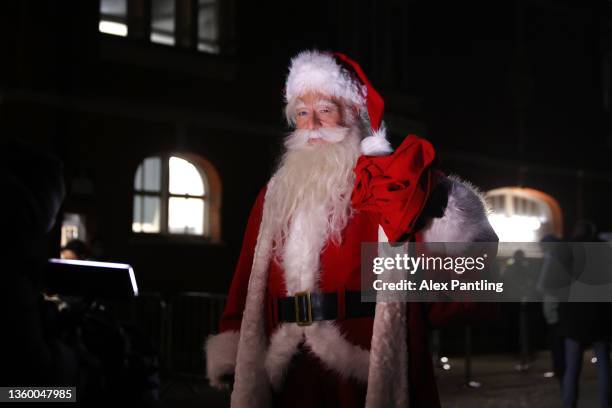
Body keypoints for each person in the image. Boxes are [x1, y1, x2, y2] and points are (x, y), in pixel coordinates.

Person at [205, 50, 498, 407]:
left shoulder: (392, 185)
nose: (311, 124)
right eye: (301, 113)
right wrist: (232, 343)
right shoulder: (275, 194)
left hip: (367, 359)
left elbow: (468, 285)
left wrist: (447, 214)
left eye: (325, 110)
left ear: (355, 112)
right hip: (287, 367)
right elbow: (246, 279)